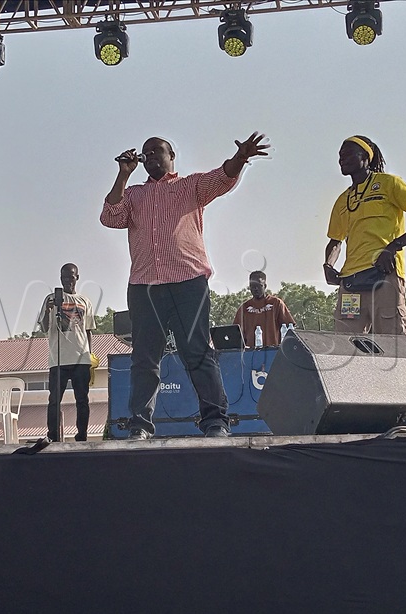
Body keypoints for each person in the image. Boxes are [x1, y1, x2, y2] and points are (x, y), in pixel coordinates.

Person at [100, 133, 270, 439]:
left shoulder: (189, 186)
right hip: (145, 286)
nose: (151, 157)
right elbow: (110, 217)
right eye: (146, 154)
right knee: (144, 358)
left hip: (188, 282)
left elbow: (223, 177)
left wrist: (241, 157)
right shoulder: (134, 194)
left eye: (157, 152)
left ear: (172, 156)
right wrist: (123, 175)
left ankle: (215, 421)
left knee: (197, 352)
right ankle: (140, 425)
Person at [323, 136, 406, 335]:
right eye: (340, 155)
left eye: (348, 154)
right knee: (345, 345)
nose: (342, 159)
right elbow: (335, 240)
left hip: (383, 276)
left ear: (366, 157)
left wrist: (393, 247)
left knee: (391, 344)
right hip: (350, 284)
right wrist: (328, 265)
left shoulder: (389, 184)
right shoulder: (342, 200)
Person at [36, 263, 96, 442]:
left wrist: (90, 356)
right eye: (64, 278)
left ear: (77, 277)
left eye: (70, 277)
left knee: (82, 400)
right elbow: (45, 327)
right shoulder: (50, 299)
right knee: (54, 400)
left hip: (81, 358)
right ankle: (53, 436)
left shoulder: (85, 301)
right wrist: (48, 310)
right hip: (58, 359)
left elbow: (88, 330)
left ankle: (82, 435)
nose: (67, 281)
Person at [233, 270, 295, 348]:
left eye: (259, 285)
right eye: (252, 286)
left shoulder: (276, 303)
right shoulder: (244, 307)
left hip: (273, 351)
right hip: (251, 353)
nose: (255, 289)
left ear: (265, 286)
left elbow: (290, 327)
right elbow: (235, 333)